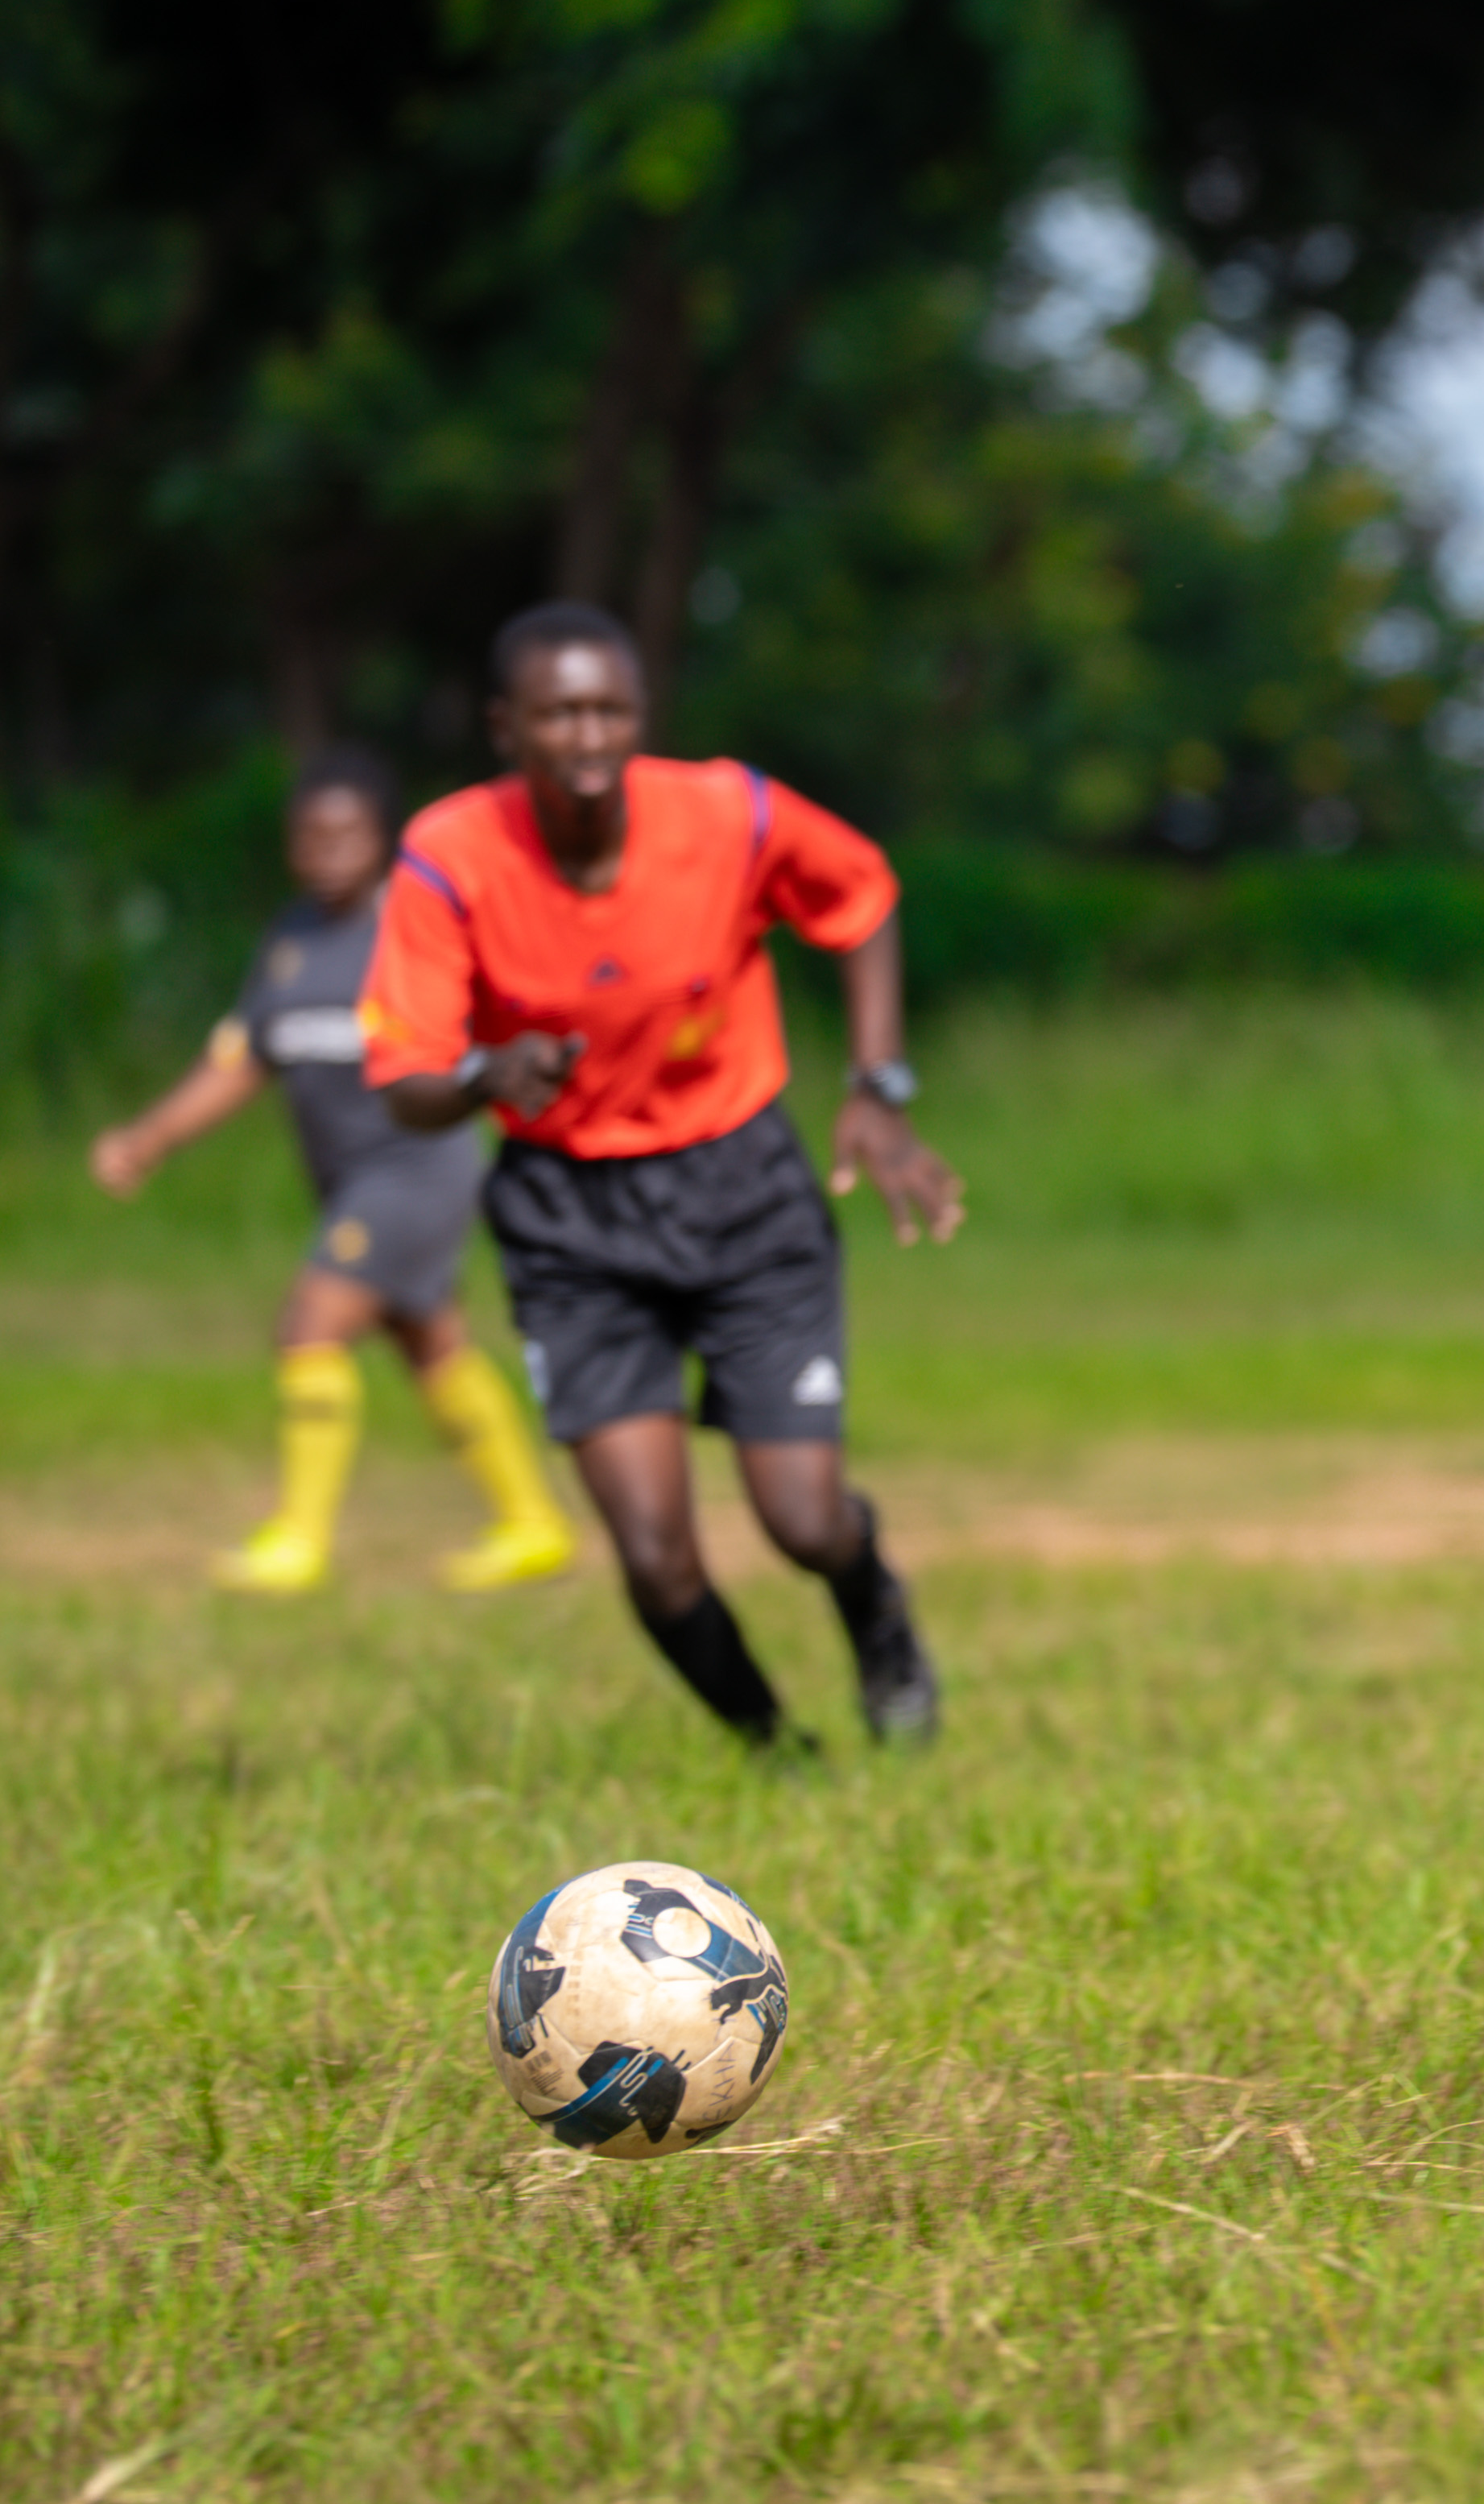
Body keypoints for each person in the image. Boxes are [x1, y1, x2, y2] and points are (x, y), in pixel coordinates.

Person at [364, 604, 964, 1748]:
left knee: (801, 1519)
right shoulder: (450, 858)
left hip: (741, 1185)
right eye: (557, 713)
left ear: (640, 716)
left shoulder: (726, 813)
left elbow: (864, 898)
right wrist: (489, 1072)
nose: (587, 736)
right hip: (569, 1214)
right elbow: (405, 1079)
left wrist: (878, 1086)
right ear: (508, 728)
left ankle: (875, 1609)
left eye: (610, 709)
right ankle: (778, 1756)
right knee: (653, 1553)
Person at [87, 751, 582, 1596]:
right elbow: (243, 1058)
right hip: (349, 1179)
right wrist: (152, 1136)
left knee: (310, 1323)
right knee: (430, 1343)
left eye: (347, 832)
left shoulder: (415, 925)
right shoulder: (291, 940)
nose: (328, 850)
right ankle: (533, 1522)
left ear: (383, 838)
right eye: (311, 835)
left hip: (418, 1167)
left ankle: (299, 1540)